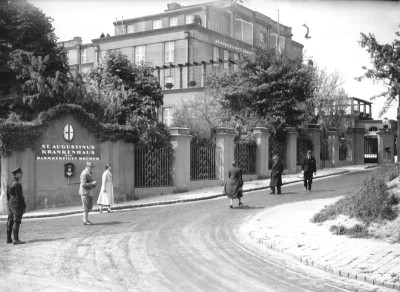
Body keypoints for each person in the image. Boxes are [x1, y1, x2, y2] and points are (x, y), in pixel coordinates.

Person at [6, 167, 26, 245]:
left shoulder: (10, 183)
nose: (21, 174)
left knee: (10, 220)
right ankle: (15, 239)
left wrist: (9, 203)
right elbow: (19, 197)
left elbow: (8, 195)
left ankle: (8, 239)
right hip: (16, 204)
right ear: (17, 174)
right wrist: (23, 206)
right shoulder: (17, 184)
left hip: (10, 203)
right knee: (17, 221)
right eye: (20, 173)